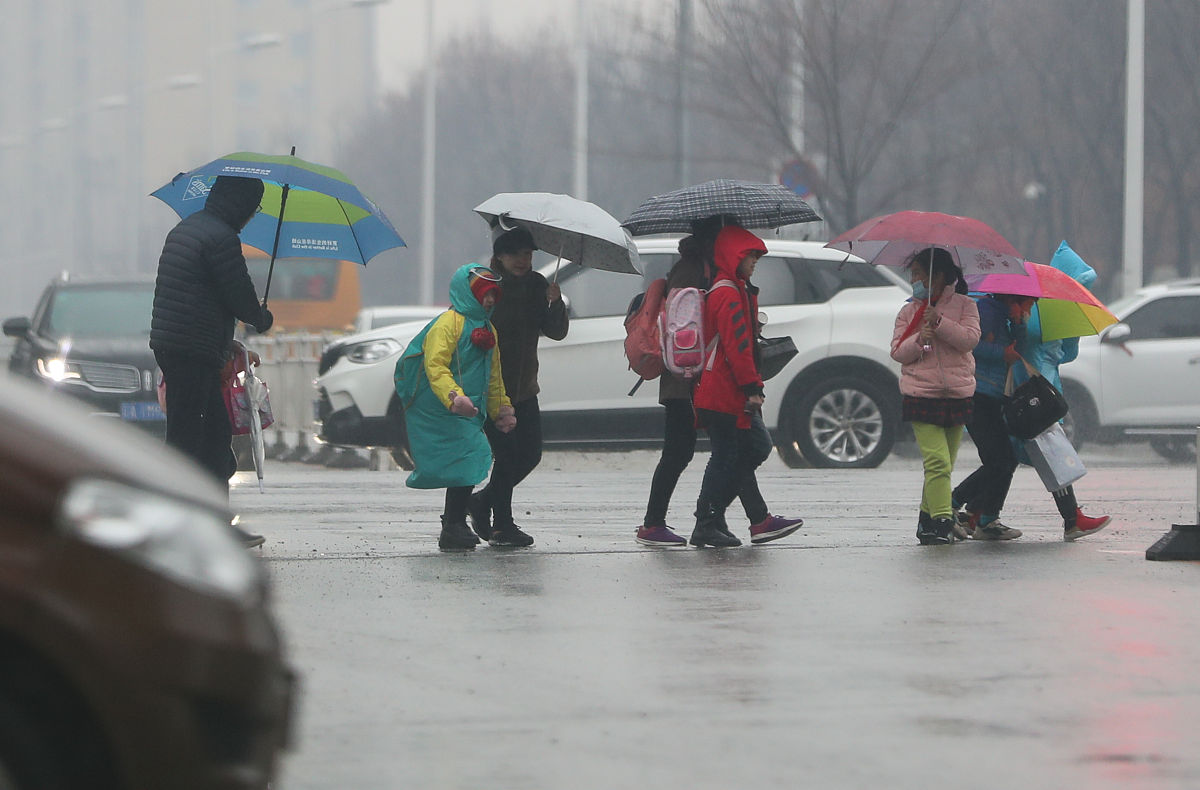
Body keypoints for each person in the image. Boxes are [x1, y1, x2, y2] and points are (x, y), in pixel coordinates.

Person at [150, 175, 274, 548]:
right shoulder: (221, 238)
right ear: (240, 204)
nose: (253, 215)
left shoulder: (187, 230)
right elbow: (236, 292)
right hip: (193, 351)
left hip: (176, 346)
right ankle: (176, 525)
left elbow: (202, 295)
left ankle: (210, 524)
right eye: (254, 207)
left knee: (211, 436)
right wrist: (261, 317)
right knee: (190, 441)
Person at [635, 217, 770, 547]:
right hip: (691, 378)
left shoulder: (704, 269)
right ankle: (671, 522)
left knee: (729, 448)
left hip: (697, 376)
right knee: (709, 450)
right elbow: (691, 330)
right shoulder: (697, 272)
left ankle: (739, 518)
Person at [689, 225, 804, 548]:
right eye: (750, 254)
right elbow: (736, 346)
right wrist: (752, 386)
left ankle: (742, 519)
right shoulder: (727, 292)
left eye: (756, 255)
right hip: (725, 390)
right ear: (733, 256)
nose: (755, 261)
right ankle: (709, 519)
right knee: (741, 452)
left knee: (736, 453)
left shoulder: (734, 288)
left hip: (726, 388)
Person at [394, 264, 516, 550]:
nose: (489, 300)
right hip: (444, 404)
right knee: (469, 456)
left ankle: (454, 524)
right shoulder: (448, 324)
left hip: (470, 407)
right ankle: (453, 524)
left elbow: (494, 376)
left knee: (465, 460)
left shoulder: (488, 329)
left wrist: (501, 408)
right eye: (483, 294)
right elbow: (435, 366)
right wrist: (454, 397)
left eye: (492, 295)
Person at [467, 226, 569, 547]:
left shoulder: (538, 285)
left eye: (528, 254)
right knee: (507, 456)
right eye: (515, 255)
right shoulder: (487, 286)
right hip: (494, 388)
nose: (523, 261)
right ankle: (502, 525)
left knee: (530, 455)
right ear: (500, 256)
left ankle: (482, 503)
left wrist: (556, 303)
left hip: (525, 388)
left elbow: (556, 332)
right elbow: (467, 326)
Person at [1012, 241, 1111, 540]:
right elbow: (1067, 354)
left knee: (1019, 456)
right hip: (1035, 392)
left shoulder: (1040, 310)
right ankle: (1072, 518)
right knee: (1042, 452)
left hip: (1038, 390)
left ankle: (981, 513)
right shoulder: (1043, 312)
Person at [890, 248, 981, 545]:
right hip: (922, 395)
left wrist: (939, 322)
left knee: (943, 465)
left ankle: (926, 521)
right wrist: (920, 339)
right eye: (913, 274)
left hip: (958, 393)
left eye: (918, 274)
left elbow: (969, 340)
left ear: (938, 276)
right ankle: (943, 521)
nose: (914, 280)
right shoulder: (908, 312)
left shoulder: (966, 306)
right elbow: (898, 353)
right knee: (938, 463)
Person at [951, 291, 1036, 540]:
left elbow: (1017, 350)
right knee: (998, 460)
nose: (1031, 308)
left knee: (1007, 459)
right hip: (978, 393)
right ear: (1015, 298)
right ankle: (953, 502)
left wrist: (1019, 324)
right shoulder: (986, 311)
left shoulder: (1006, 316)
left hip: (995, 395)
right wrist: (1001, 354)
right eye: (1030, 303)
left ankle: (988, 519)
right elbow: (972, 346)